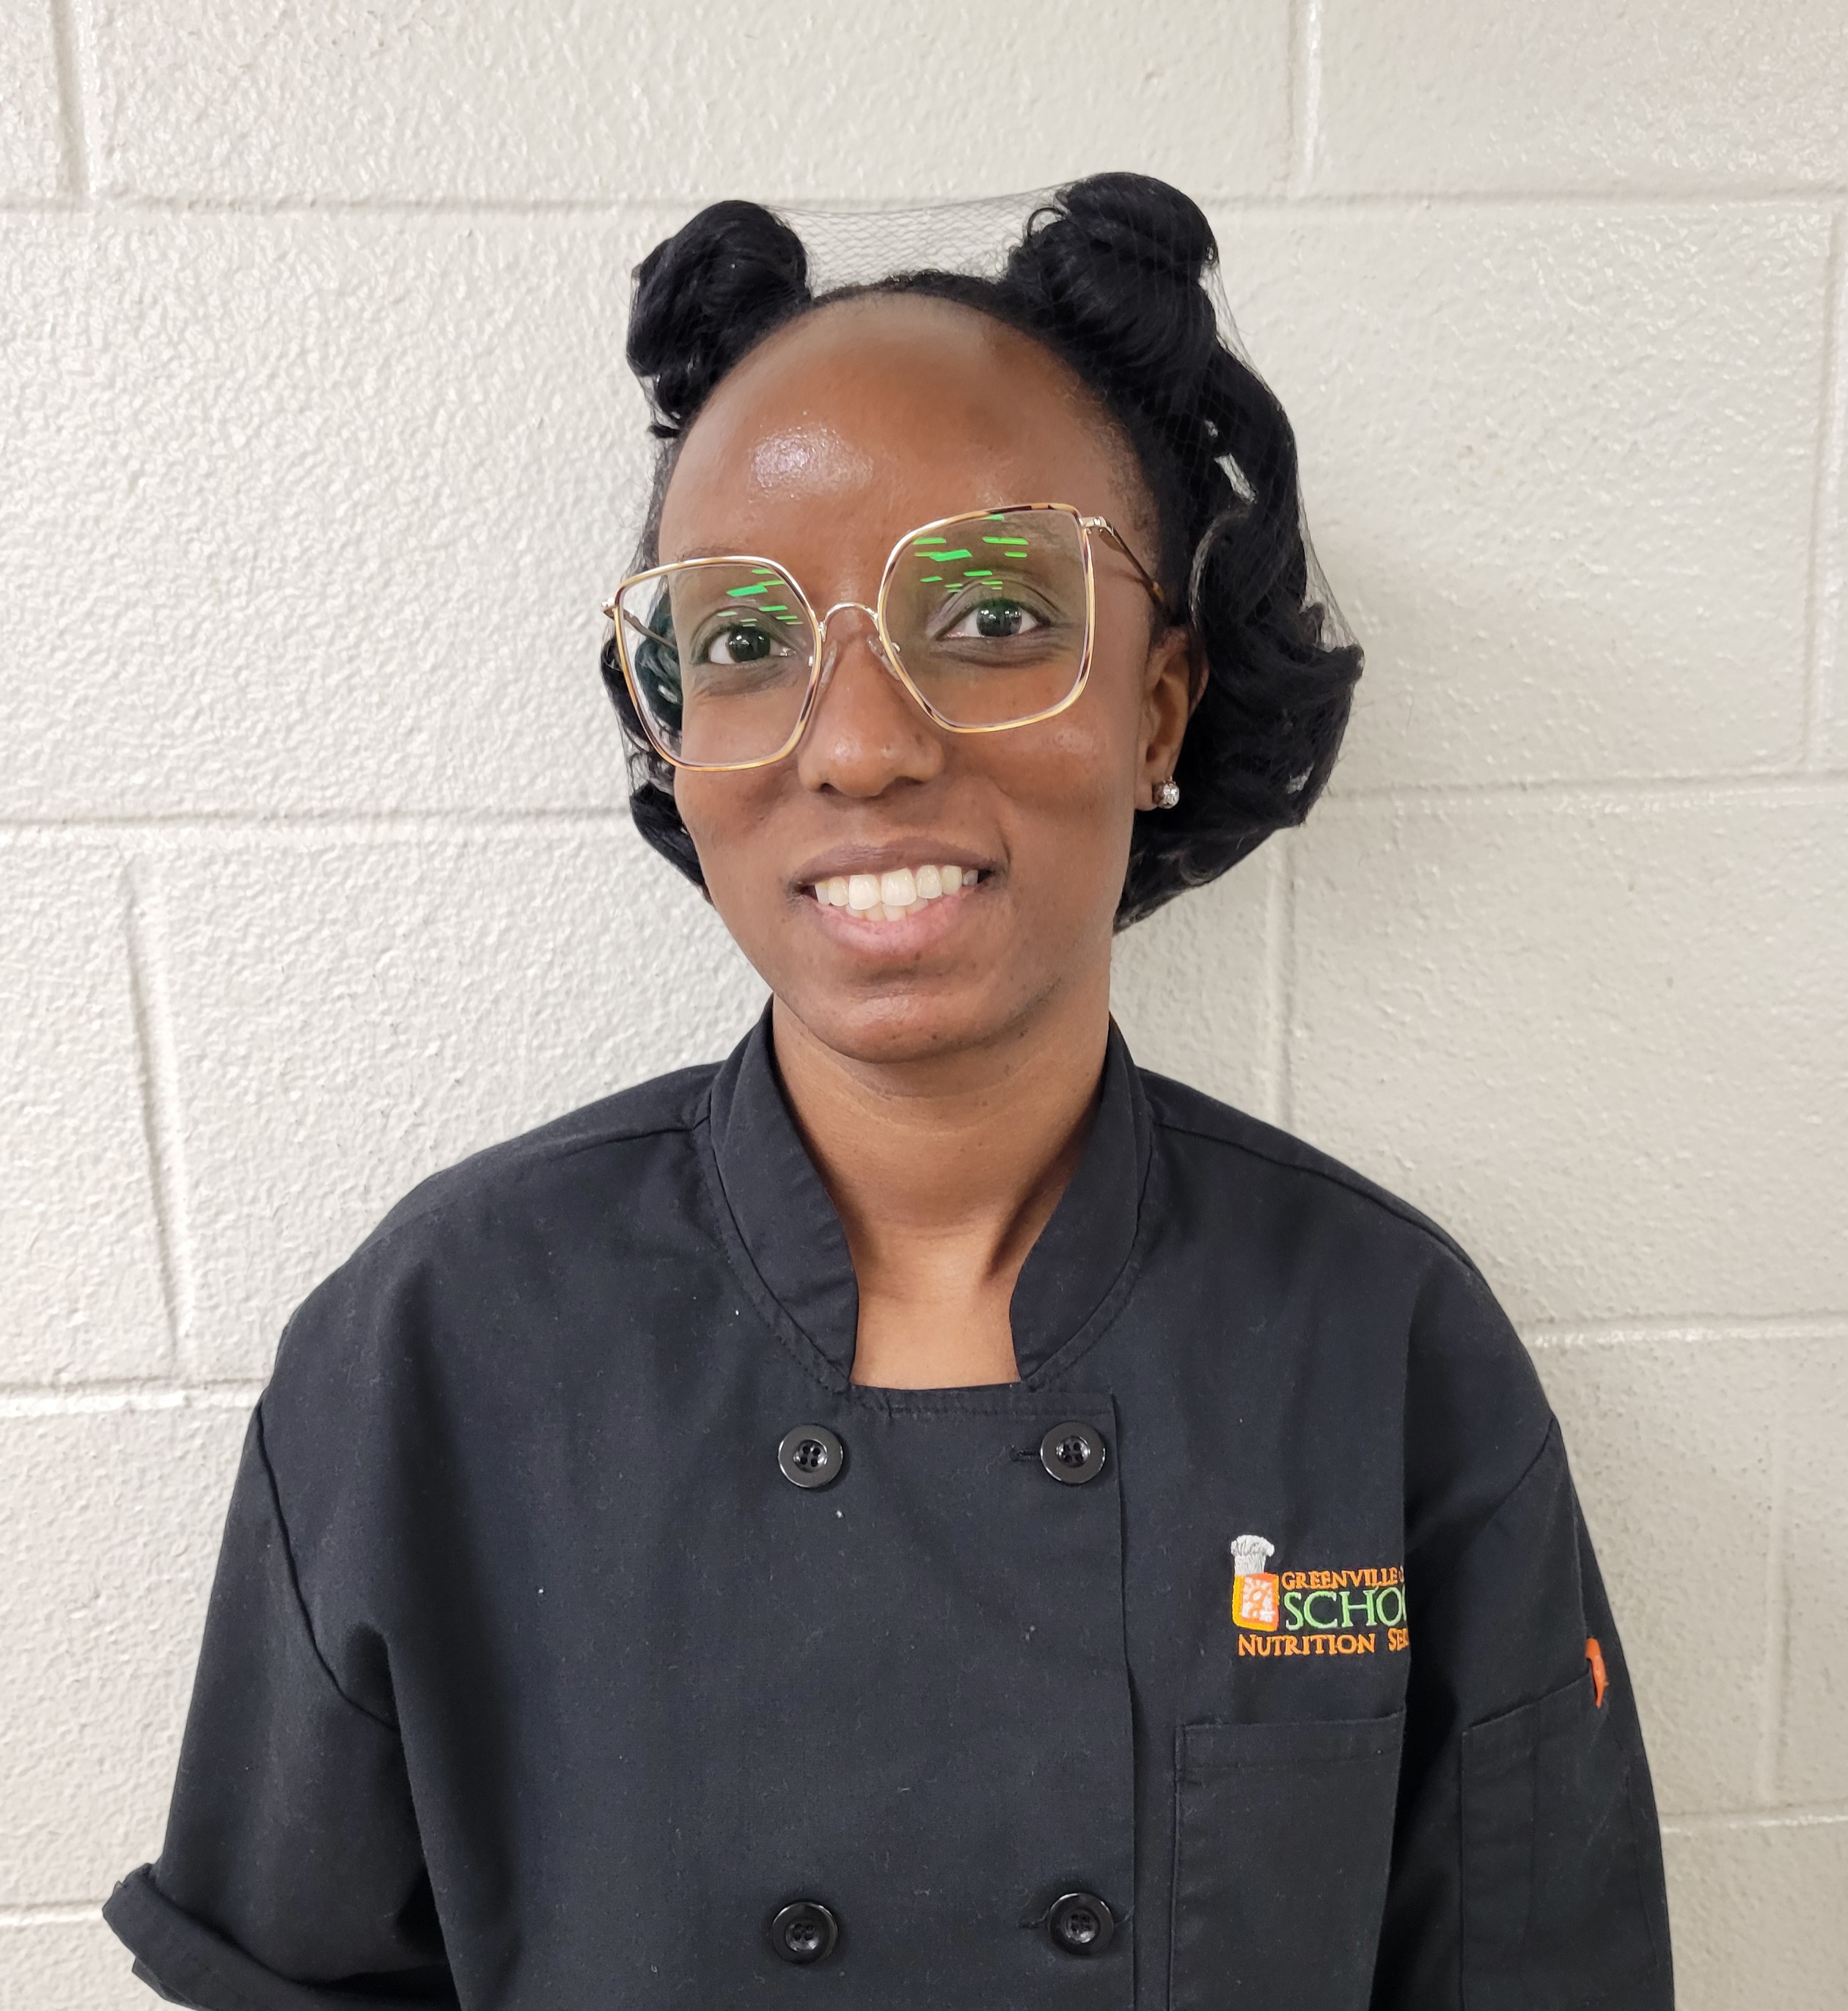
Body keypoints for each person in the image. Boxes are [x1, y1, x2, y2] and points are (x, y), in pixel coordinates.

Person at [103, 173, 1673, 2009]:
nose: (858, 745)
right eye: (743, 644)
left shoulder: (1379, 1341)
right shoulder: (440, 1341)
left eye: (993, 613)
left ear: (1159, 708)